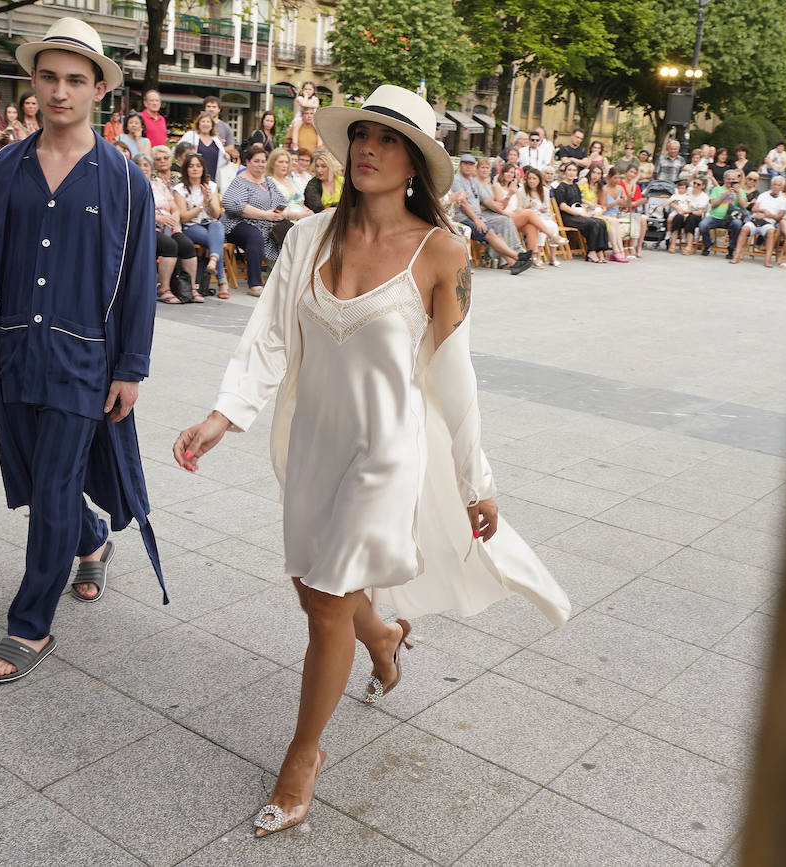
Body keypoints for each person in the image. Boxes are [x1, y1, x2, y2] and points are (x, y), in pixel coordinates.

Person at [172, 84, 569, 838]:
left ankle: (301, 757)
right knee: (313, 586)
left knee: (324, 605)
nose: (367, 149)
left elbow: (456, 373)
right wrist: (225, 414)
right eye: (361, 136)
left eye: (387, 141)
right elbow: (268, 336)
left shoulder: (443, 251)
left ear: (416, 163)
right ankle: (382, 636)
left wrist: (474, 477)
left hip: (387, 450)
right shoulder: (307, 236)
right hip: (312, 438)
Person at [0, 17, 164, 683]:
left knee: (52, 487)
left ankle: (29, 623)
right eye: (49, 77)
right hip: (15, 352)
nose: (61, 91)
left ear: (100, 88)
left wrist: (131, 367)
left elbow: (137, 283)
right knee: (35, 481)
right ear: (32, 83)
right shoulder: (5, 167)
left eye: (76, 79)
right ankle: (93, 538)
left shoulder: (126, 182)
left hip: (85, 361)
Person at [221, 146, 286, 297]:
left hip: (267, 222)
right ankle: (255, 284)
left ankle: (284, 280)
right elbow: (232, 204)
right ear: (248, 162)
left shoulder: (269, 181)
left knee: (290, 232)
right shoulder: (240, 181)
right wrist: (264, 215)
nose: (261, 164)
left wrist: (277, 214)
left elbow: (282, 201)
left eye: (263, 161)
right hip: (237, 224)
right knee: (254, 235)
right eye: (256, 161)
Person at [448, 154, 525, 273]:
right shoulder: (456, 180)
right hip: (463, 218)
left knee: (496, 234)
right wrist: (477, 220)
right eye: (465, 163)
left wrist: (503, 212)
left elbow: (488, 201)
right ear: (460, 165)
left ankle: (513, 264)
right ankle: (518, 256)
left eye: (471, 164)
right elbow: (463, 204)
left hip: (476, 217)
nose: (468, 167)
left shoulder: (473, 182)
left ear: (474, 167)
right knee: (490, 233)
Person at [140, 153, 199, 304]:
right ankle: (164, 289)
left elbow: (174, 207)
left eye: (146, 165)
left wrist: (175, 215)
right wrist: (158, 218)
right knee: (169, 245)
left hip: (169, 226)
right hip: (147, 227)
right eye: (139, 165)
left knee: (187, 245)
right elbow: (135, 212)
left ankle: (190, 288)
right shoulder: (134, 186)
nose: (143, 168)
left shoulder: (159, 186)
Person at [174, 152, 227, 298]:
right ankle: (223, 282)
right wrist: (202, 204)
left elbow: (216, 214)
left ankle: (213, 261)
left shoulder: (211, 186)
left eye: (198, 166)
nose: (195, 169)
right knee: (216, 240)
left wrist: (209, 200)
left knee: (217, 226)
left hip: (210, 224)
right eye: (191, 166)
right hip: (191, 226)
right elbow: (184, 218)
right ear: (186, 169)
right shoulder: (180, 189)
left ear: (203, 169)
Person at [553, 161, 611, 263]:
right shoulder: (561, 187)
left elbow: (579, 201)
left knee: (601, 222)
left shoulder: (575, 186)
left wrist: (588, 205)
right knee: (593, 223)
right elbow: (563, 206)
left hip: (579, 214)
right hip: (568, 216)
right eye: (569, 170)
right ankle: (591, 251)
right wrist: (579, 213)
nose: (571, 172)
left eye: (574, 170)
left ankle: (600, 251)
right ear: (565, 172)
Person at [491, 163, 549, 265]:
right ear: (502, 173)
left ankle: (533, 256)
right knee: (530, 213)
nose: (510, 174)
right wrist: (510, 194)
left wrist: (519, 209)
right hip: (504, 217)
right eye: (507, 172)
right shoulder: (497, 186)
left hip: (516, 216)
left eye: (512, 173)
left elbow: (518, 206)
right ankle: (550, 235)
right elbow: (500, 207)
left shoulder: (514, 187)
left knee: (531, 226)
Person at [731, 174, 786, 265]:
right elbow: (754, 209)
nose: (776, 187)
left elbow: (779, 217)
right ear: (771, 185)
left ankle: (767, 260)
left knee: (770, 232)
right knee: (744, 229)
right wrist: (762, 210)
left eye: (778, 185)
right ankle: (736, 256)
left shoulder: (783, 200)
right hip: (755, 219)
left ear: (782, 187)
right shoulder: (763, 195)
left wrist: (768, 215)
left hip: (768, 222)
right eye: (774, 184)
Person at [697, 168, 748, 259]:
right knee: (703, 225)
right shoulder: (717, 189)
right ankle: (708, 245)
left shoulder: (740, 191)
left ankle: (731, 248)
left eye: (733, 179)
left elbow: (744, 205)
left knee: (738, 224)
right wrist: (725, 194)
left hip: (731, 218)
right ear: (724, 179)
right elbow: (713, 204)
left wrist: (738, 193)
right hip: (716, 216)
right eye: (729, 179)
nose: (731, 181)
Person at [518, 166, 560, 266]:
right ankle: (538, 255)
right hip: (528, 218)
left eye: (534, 179)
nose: (531, 181)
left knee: (553, 226)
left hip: (542, 216)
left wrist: (544, 210)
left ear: (539, 180)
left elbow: (548, 209)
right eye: (529, 178)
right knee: (540, 226)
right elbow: (519, 210)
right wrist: (529, 206)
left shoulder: (544, 191)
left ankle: (553, 257)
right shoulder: (522, 191)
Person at [177, 111, 227, 181]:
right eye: (203, 121)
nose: (205, 124)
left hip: (212, 178)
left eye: (208, 122)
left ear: (212, 125)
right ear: (198, 124)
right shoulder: (190, 136)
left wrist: (226, 156)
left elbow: (223, 158)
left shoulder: (216, 140)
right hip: (193, 177)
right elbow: (177, 151)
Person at [268, 148, 312, 220]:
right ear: (272, 164)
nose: (284, 165)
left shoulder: (291, 180)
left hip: (302, 217)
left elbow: (301, 204)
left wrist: (309, 212)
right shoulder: (269, 181)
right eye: (281, 162)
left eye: (287, 162)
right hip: (285, 220)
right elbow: (276, 210)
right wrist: (300, 215)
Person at [671, 177, 708, 254]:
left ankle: (689, 246)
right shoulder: (688, 190)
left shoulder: (704, 196)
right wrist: (679, 209)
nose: (695, 185)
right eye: (694, 183)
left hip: (694, 215)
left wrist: (689, 212)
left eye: (698, 184)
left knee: (691, 219)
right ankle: (673, 244)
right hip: (682, 211)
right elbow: (674, 201)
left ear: (703, 186)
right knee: (678, 217)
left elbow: (699, 212)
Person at [285, 81, 319, 149]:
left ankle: (319, 145)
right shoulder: (300, 98)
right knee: (296, 126)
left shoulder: (315, 99)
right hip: (301, 116)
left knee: (318, 128)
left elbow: (316, 105)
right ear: (302, 90)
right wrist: (306, 96)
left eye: (310, 89)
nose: (307, 91)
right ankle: (295, 143)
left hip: (312, 117)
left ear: (314, 91)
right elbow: (303, 104)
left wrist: (307, 105)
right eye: (306, 89)